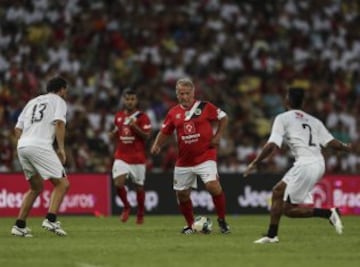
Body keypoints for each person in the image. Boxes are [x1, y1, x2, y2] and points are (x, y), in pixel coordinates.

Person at [244, 87, 353, 244]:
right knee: (277, 192)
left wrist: (255, 162)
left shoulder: (282, 118)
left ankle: (328, 213)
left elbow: (271, 145)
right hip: (317, 163)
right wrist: (346, 147)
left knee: (288, 209)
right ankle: (271, 235)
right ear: (302, 102)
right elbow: (331, 143)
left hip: (306, 164)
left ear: (287, 100)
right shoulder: (314, 121)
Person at [151, 77, 230, 234]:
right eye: (181, 93)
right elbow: (165, 131)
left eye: (187, 93)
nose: (184, 96)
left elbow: (224, 117)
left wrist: (218, 135)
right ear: (177, 94)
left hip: (205, 155)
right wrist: (157, 145)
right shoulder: (173, 113)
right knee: (182, 194)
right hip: (184, 160)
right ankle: (191, 225)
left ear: (193, 92)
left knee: (212, 186)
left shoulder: (205, 107)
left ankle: (222, 221)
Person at [11, 77, 70, 237]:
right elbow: (59, 123)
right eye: (66, 90)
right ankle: (51, 219)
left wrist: (26, 142)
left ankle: (19, 225)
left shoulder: (32, 101)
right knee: (62, 184)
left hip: (22, 145)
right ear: (62, 89)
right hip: (40, 145)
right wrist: (61, 149)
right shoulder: (59, 101)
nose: (66, 93)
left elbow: (17, 128)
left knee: (35, 187)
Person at [109, 88, 152, 224]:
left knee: (139, 187)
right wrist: (113, 134)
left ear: (136, 101)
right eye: (127, 99)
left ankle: (140, 213)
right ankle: (127, 206)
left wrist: (135, 127)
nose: (130, 102)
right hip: (121, 156)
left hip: (138, 158)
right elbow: (117, 130)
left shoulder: (142, 117)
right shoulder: (119, 116)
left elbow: (147, 136)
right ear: (123, 100)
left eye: (132, 99)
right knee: (118, 183)